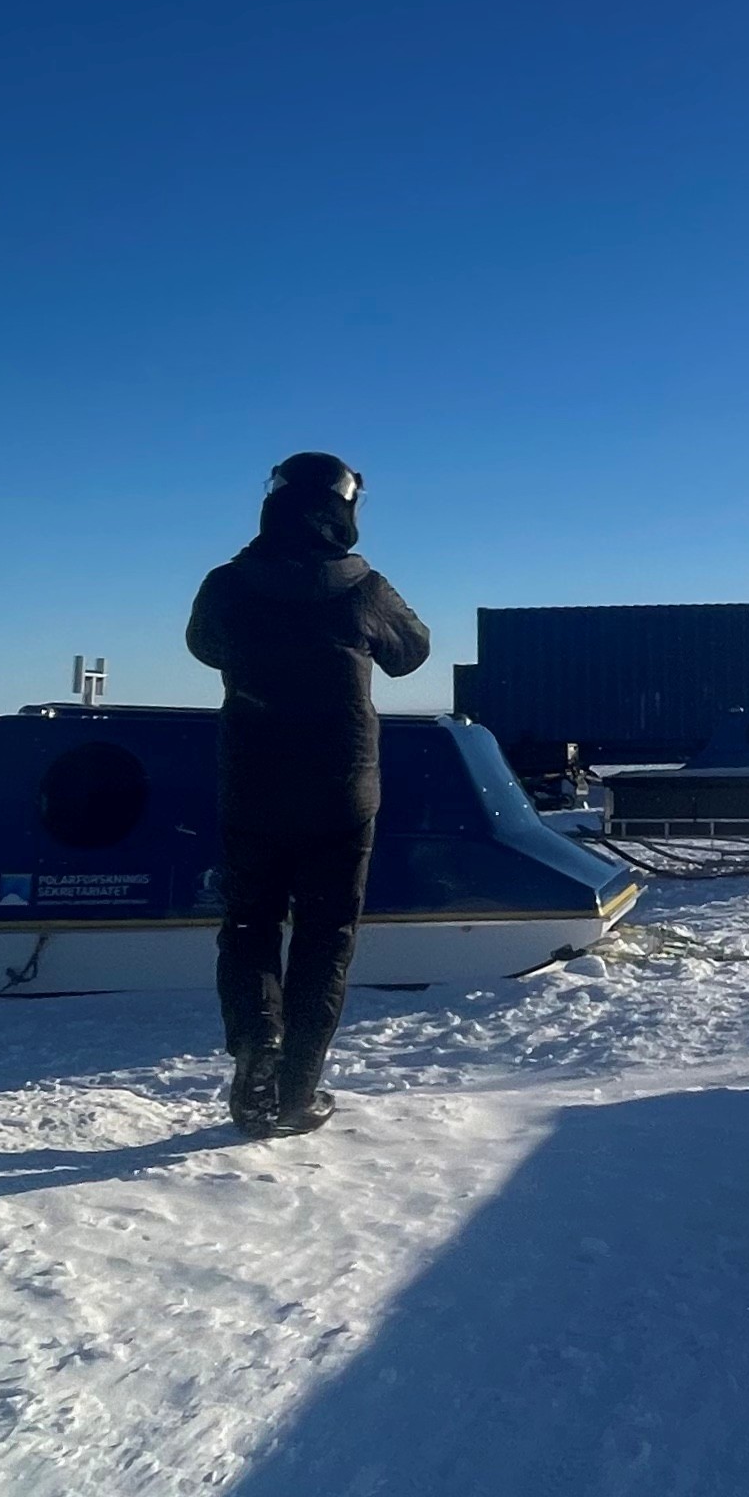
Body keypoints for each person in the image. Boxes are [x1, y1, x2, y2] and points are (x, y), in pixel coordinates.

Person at [184, 452, 431, 1134]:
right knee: (326, 937)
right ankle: (295, 1092)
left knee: (248, 927)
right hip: (341, 791)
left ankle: (256, 1048)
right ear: (343, 508)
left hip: (253, 786)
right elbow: (412, 652)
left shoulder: (228, 584)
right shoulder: (364, 587)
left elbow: (204, 646)